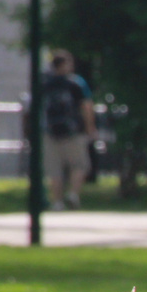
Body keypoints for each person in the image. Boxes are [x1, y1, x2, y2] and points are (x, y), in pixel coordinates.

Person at [41, 50, 98, 210]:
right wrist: (90, 128)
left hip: (51, 132)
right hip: (74, 132)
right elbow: (86, 106)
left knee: (55, 170)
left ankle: (57, 202)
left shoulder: (46, 83)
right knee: (79, 165)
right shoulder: (77, 83)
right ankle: (73, 194)